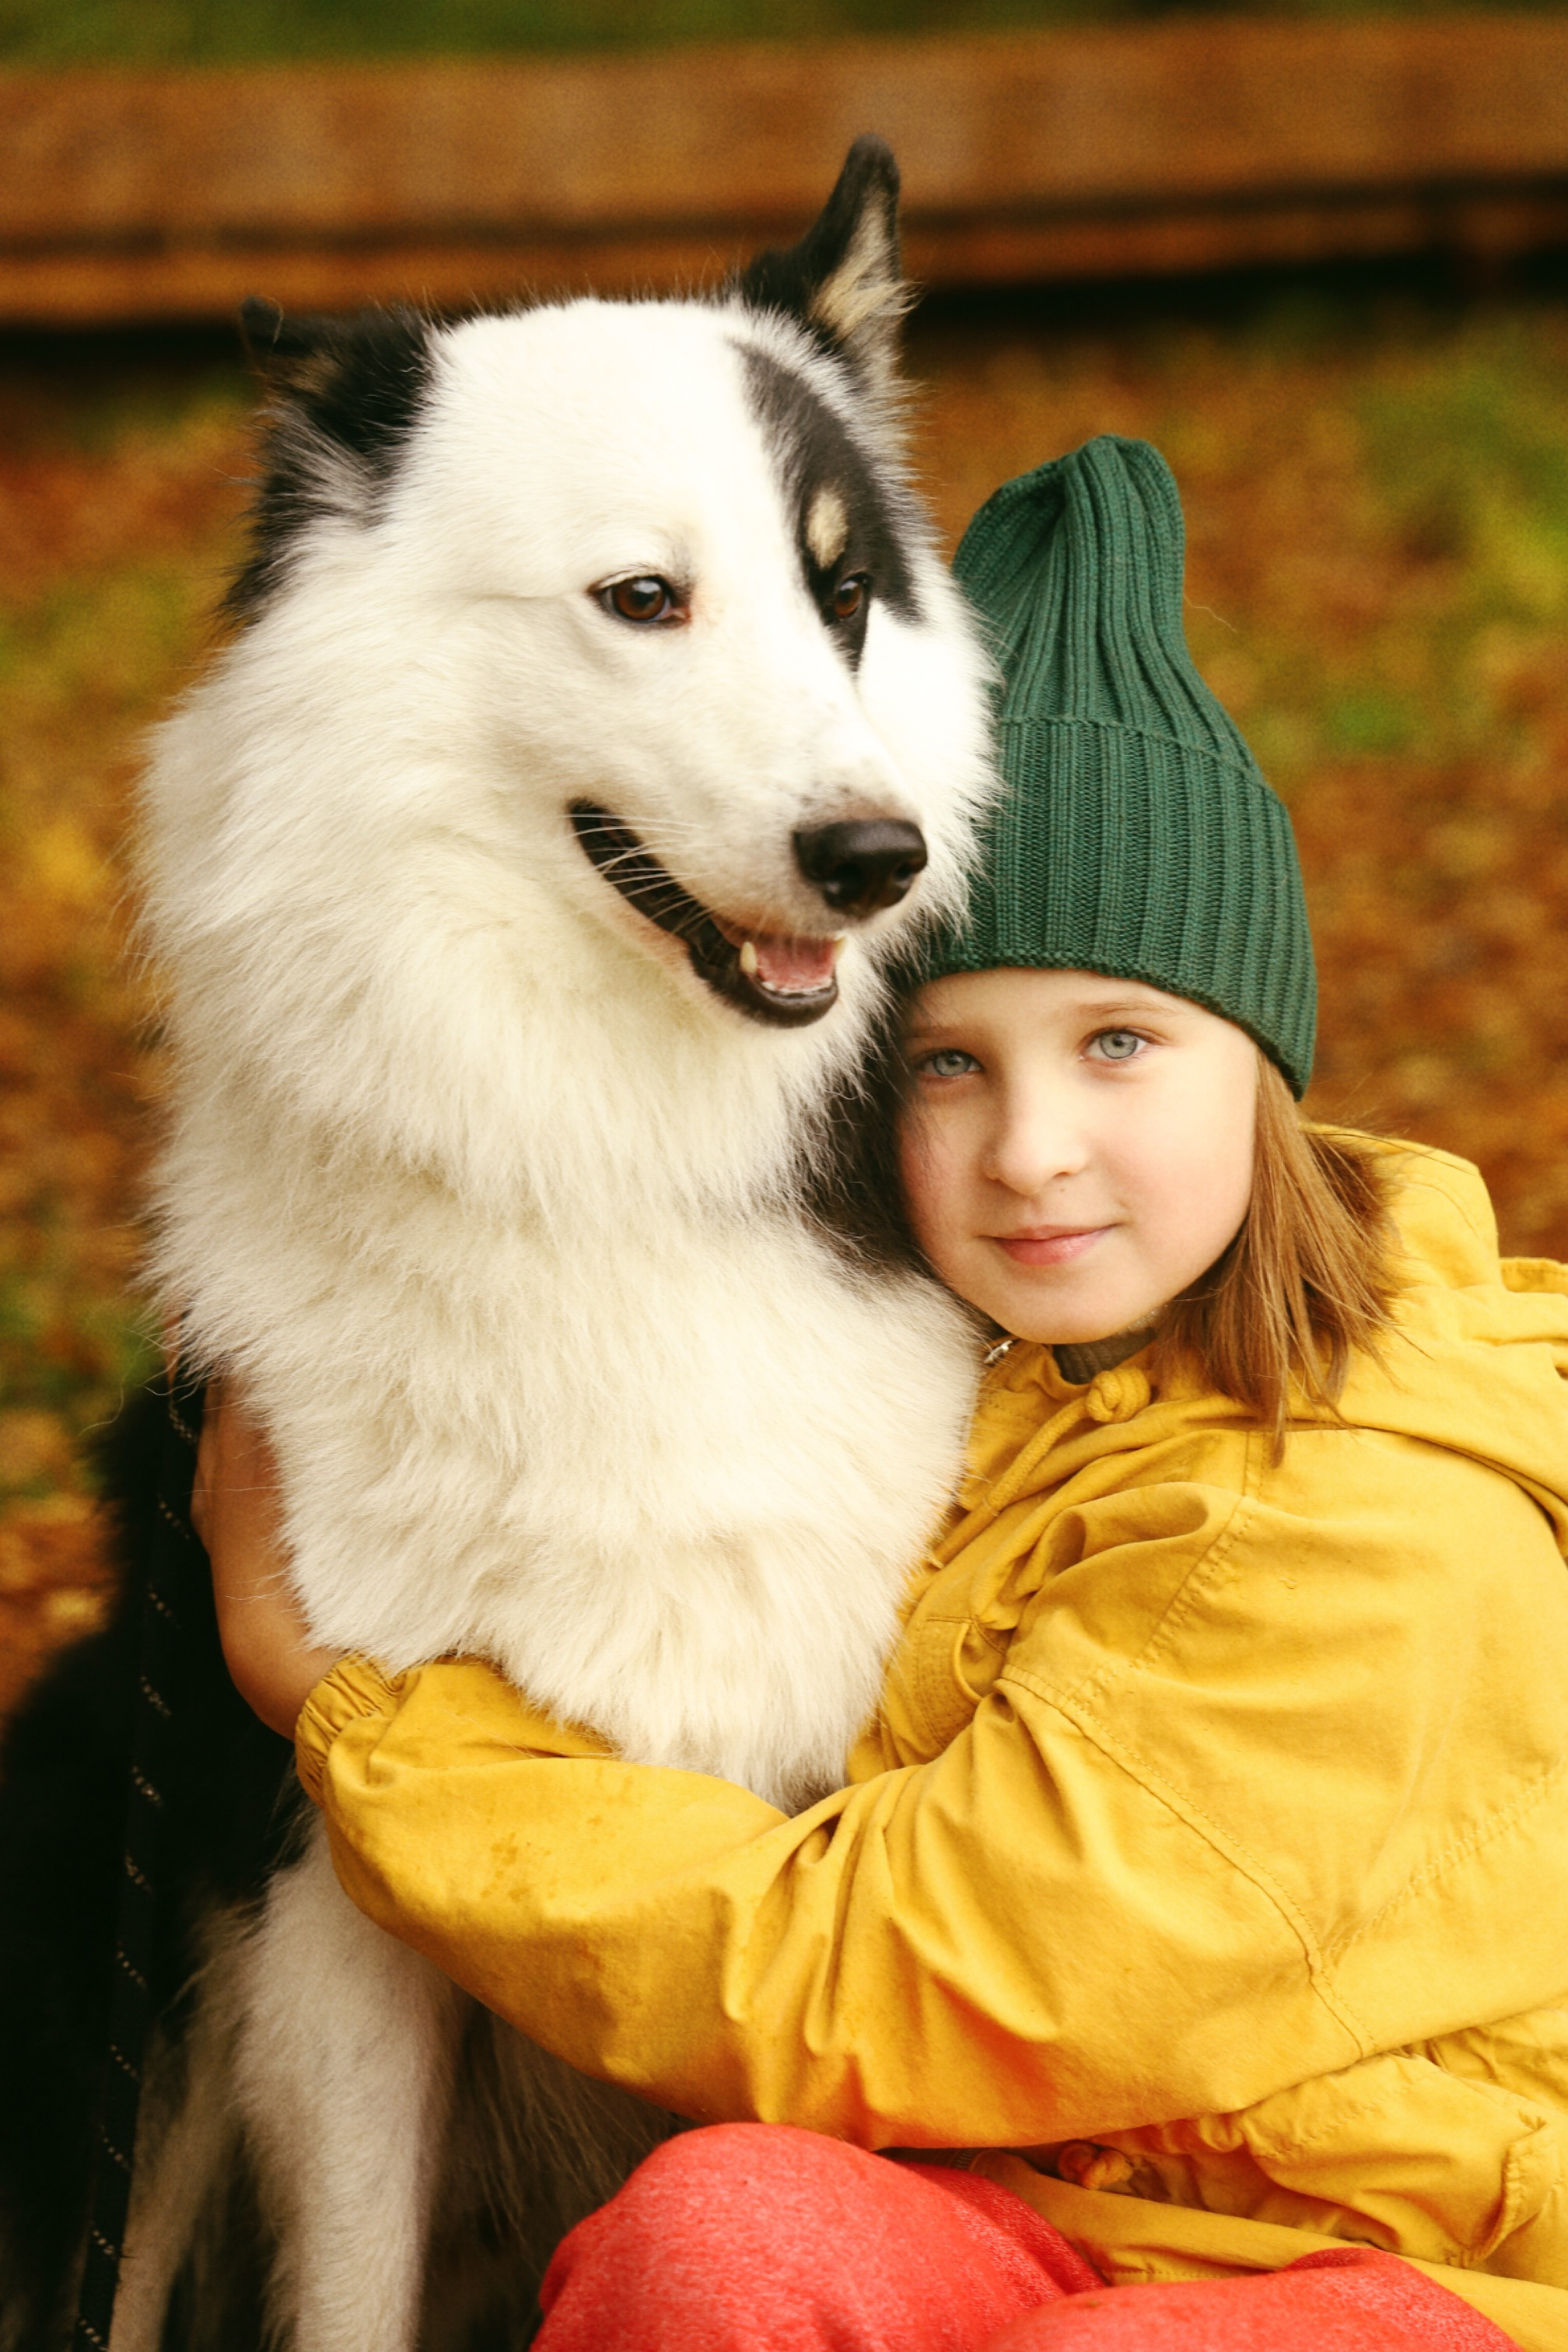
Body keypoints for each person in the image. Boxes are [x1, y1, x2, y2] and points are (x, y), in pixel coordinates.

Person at [200, 437, 1568, 2350]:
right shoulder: (968, 1391)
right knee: (721, 2240)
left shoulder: (1375, 1509)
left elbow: (908, 1979)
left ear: (1262, 1065)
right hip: (1011, 2202)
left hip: (1381, 2266)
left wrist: (353, 1713)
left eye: (1118, 1044)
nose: (1032, 1150)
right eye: (943, 1066)